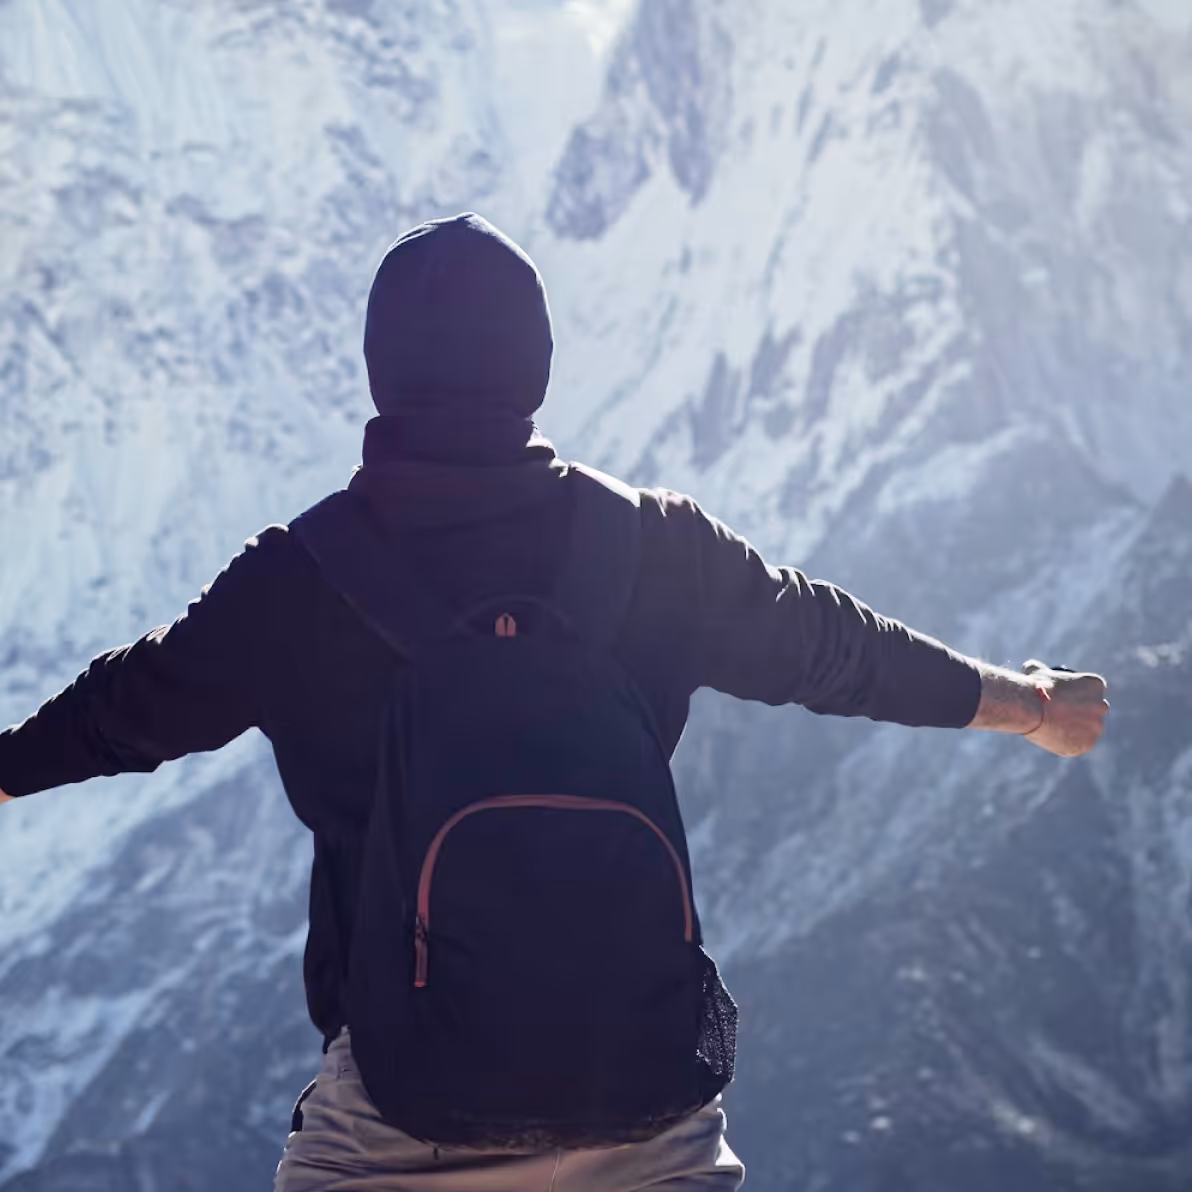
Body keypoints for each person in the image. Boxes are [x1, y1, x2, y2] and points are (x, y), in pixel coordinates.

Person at [0, 213, 1109, 1191]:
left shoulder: (298, 580)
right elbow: (839, 651)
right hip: (644, 1100)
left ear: (381, 370)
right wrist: (1028, 703)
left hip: (401, 1108)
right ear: (534, 362)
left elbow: (122, 713)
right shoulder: (660, 545)